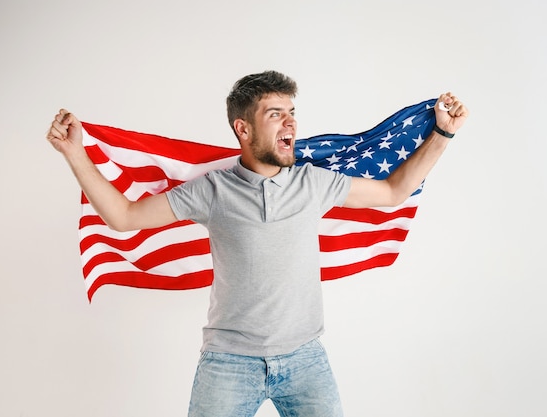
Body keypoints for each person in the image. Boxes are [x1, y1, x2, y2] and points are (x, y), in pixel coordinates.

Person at [46, 70, 468, 417]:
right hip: (229, 363)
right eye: (275, 114)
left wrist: (443, 135)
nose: (291, 123)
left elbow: (394, 191)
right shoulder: (211, 191)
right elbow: (123, 217)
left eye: (292, 112)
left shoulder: (313, 183)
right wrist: (74, 153)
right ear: (243, 129)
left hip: (305, 360)